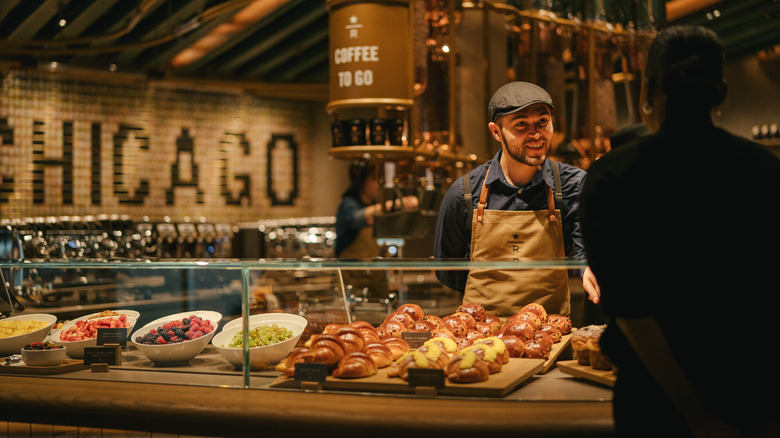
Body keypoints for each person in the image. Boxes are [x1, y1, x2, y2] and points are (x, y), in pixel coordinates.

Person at [579, 25, 780, 437]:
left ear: (647, 92)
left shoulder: (612, 176)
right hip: (749, 393)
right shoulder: (766, 171)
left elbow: (633, 312)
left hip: (652, 403)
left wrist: (696, 418)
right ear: (721, 93)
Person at [433, 81, 600, 318]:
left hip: (550, 331)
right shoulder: (465, 193)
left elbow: (586, 252)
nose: (536, 134)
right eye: (521, 125)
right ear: (496, 132)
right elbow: (447, 270)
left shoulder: (573, 186)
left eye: (543, 122)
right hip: (481, 336)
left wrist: (588, 269)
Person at [335, 161, 418, 258]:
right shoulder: (348, 204)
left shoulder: (374, 205)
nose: (378, 184)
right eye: (374, 179)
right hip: (351, 270)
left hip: (370, 267)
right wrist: (398, 203)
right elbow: (360, 218)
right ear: (361, 180)